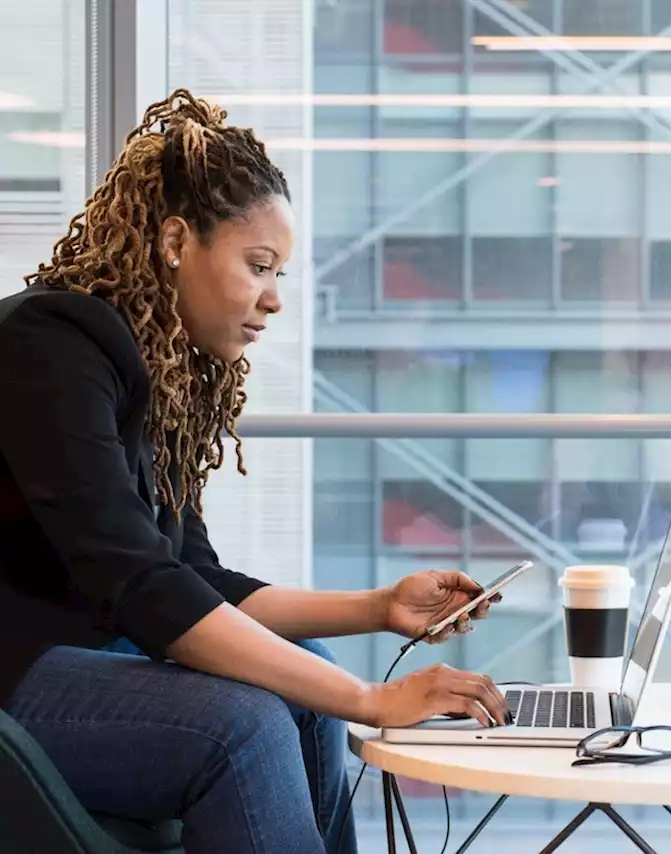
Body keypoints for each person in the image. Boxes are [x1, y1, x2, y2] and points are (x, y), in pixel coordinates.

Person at [0, 89, 509, 854]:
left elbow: (194, 579)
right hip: (14, 671)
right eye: (259, 265)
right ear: (176, 241)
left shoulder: (160, 372)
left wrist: (378, 606)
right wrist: (372, 698)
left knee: (307, 679)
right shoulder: (52, 346)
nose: (274, 299)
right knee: (243, 727)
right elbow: (142, 587)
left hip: (77, 659)